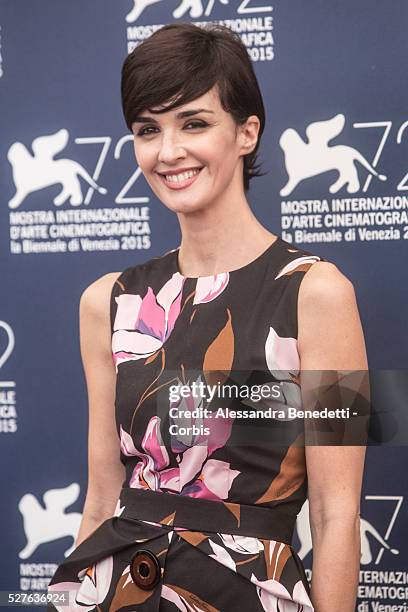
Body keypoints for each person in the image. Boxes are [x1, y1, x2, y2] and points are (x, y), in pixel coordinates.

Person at [47, 22, 368, 611]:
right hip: (114, 588)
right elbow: (101, 496)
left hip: (246, 591)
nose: (168, 152)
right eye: (148, 130)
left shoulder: (318, 294)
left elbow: (336, 511)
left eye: (194, 123)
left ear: (247, 133)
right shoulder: (107, 301)